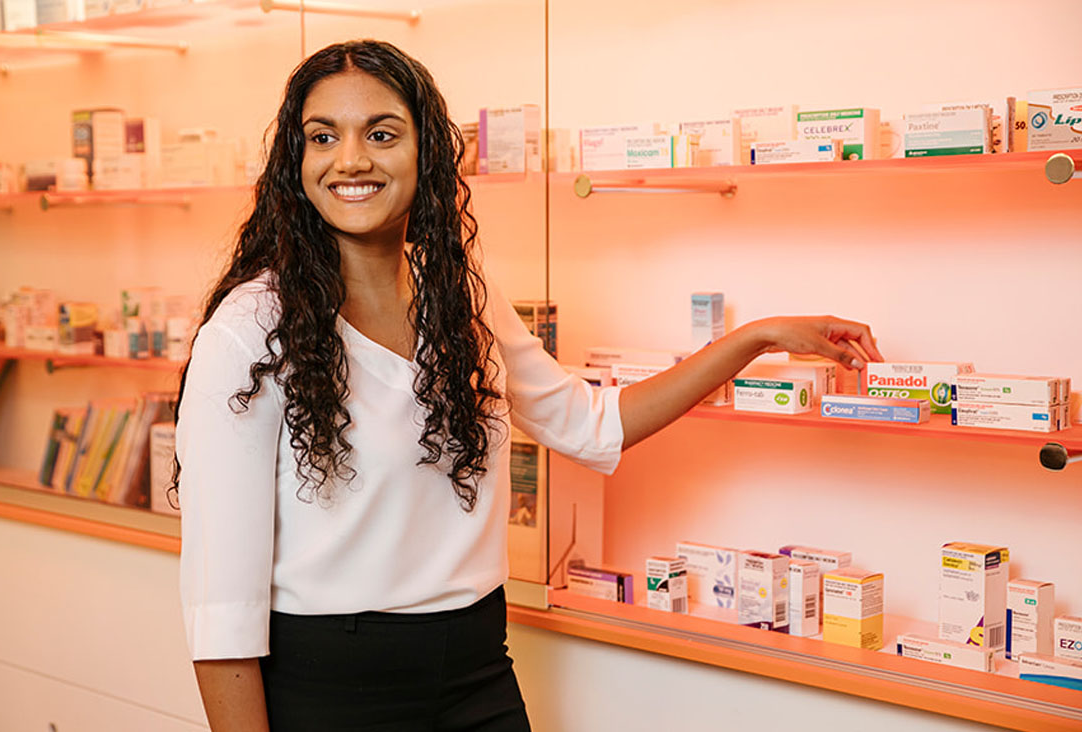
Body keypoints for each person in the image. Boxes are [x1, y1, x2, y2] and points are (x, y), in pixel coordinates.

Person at [174, 39, 883, 732]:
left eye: (381, 133)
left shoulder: (458, 299)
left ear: (427, 152)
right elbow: (221, 606)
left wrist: (754, 337)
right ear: (295, 160)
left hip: (476, 670)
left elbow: (591, 422)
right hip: (332, 688)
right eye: (322, 136)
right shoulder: (248, 332)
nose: (351, 159)